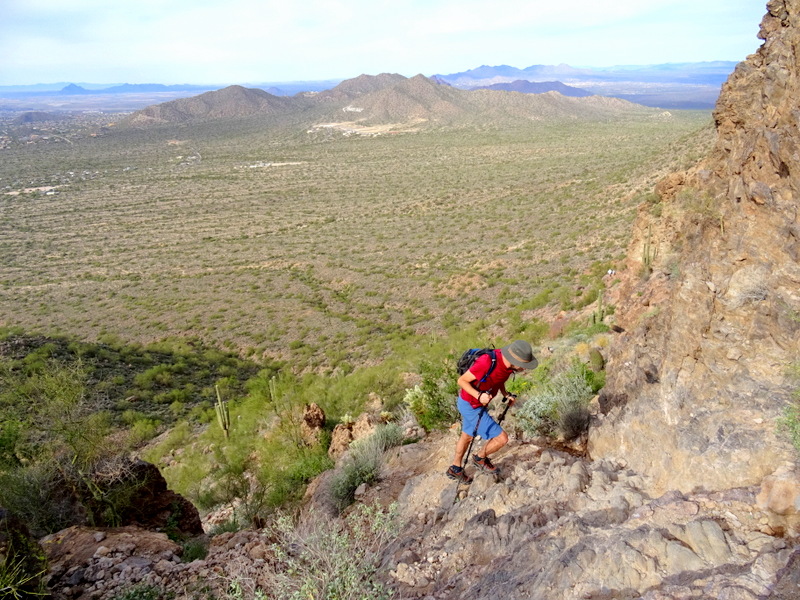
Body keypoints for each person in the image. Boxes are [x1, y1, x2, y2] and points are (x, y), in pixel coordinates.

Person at [446, 340, 538, 483]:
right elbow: (462, 381)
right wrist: (479, 396)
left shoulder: (507, 365)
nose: (524, 369)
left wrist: (505, 394)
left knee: (467, 436)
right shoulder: (486, 362)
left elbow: (498, 379)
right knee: (502, 438)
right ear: (515, 360)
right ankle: (479, 458)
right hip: (471, 405)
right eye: (524, 366)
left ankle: (455, 468)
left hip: (474, 404)